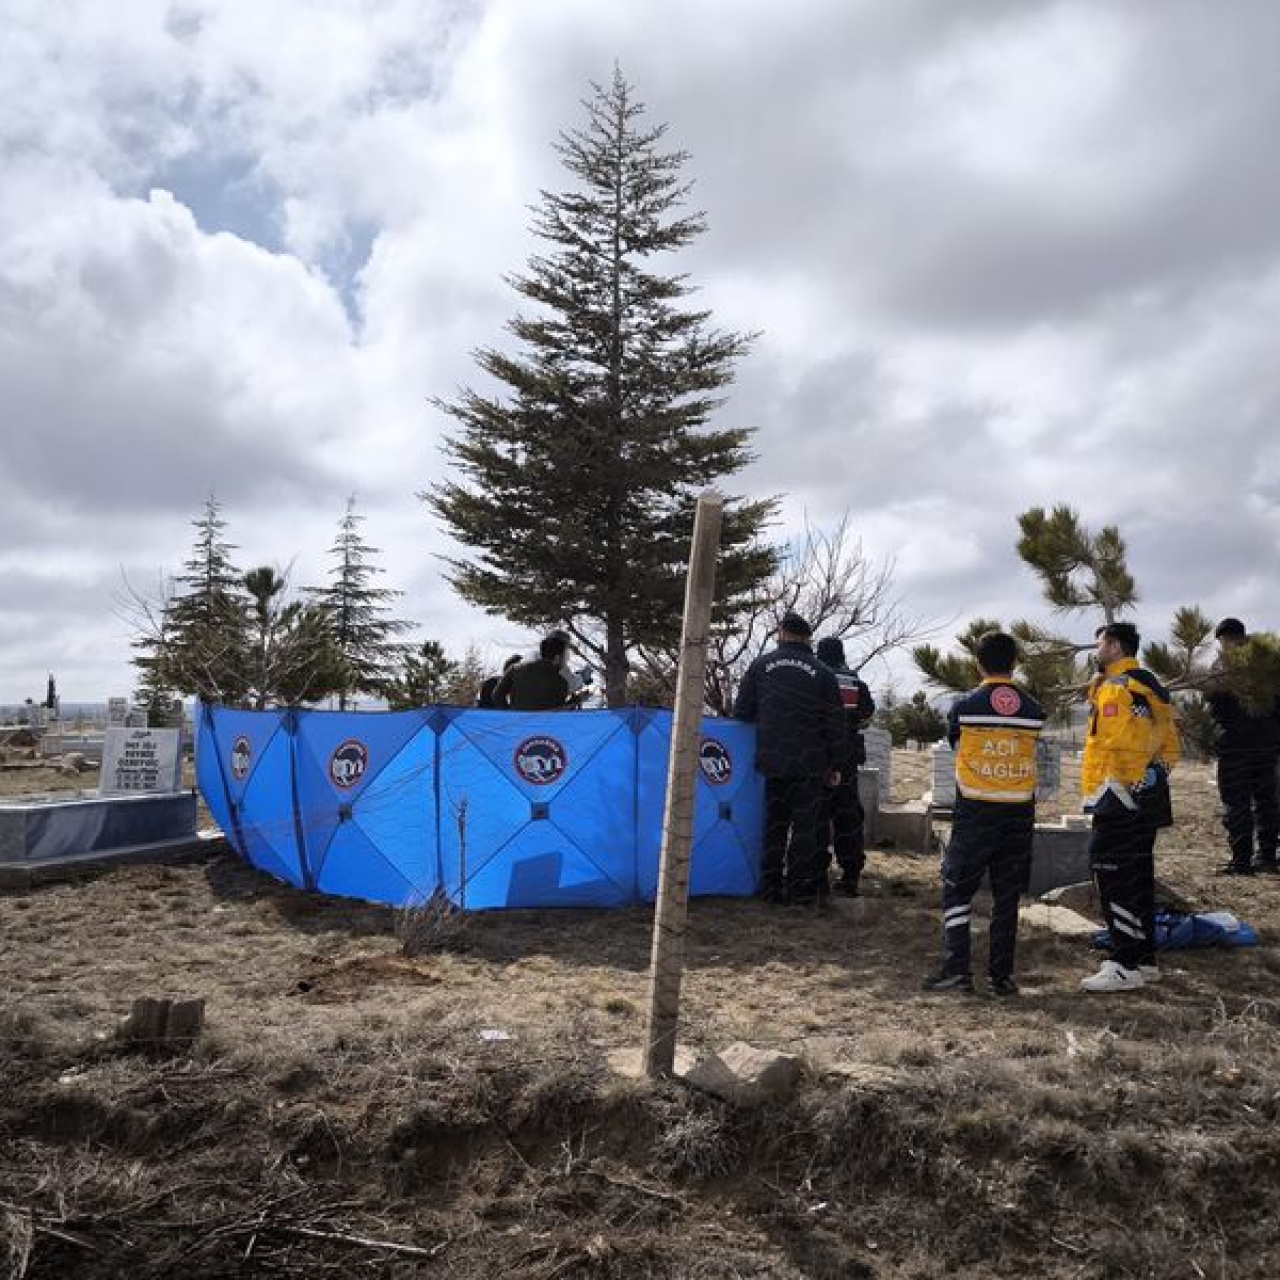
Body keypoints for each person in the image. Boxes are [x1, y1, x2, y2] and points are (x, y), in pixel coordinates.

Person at [921, 631, 1045, 996]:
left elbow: (956, 743)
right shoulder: (1033, 709)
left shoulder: (964, 706)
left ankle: (958, 969)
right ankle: (1001, 977)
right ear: (1016, 663)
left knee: (957, 890)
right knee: (1007, 896)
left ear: (977, 663)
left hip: (975, 811)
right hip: (1019, 812)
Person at [1079, 621, 1180, 994]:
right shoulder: (1151, 685)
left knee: (1113, 875)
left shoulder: (1119, 688)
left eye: (1100, 643)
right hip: (1145, 796)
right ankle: (1144, 957)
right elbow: (1171, 745)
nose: (1096, 651)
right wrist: (1154, 775)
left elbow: (1113, 745)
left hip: (1118, 796)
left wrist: (1120, 786)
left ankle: (1124, 963)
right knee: (1138, 875)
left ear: (1116, 646)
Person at [733, 612, 847, 905]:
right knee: (805, 829)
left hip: (772, 760)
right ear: (808, 637)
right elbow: (836, 722)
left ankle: (770, 887)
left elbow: (742, 712)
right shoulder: (823, 672)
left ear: (781, 633)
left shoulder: (760, 666)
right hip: (811, 763)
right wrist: (836, 764)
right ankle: (800, 890)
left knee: (774, 825)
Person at [1205, 618, 1280, 874]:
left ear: (1225, 639)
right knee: (1267, 801)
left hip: (1235, 747)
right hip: (1268, 746)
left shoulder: (1223, 666)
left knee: (1236, 804)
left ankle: (1241, 861)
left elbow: (1213, 705)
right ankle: (1268, 856)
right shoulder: (1269, 664)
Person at [814, 636, 876, 896]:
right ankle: (850, 877)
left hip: (817, 756)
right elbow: (867, 714)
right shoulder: (854, 682)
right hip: (847, 758)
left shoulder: (814, 676)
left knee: (817, 816)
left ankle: (818, 877)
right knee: (847, 815)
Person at [493, 632, 573, 711]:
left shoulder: (515, 669)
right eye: (565, 655)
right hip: (542, 724)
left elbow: (497, 696)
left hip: (515, 722)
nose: (567, 659)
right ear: (557, 658)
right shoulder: (561, 683)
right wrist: (574, 701)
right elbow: (557, 711)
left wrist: (509, 714)